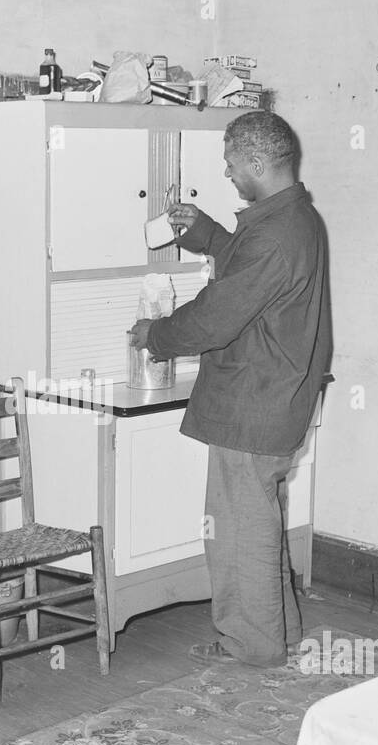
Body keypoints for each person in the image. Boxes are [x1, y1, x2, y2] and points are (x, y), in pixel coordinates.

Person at [130, 111, 331, 667]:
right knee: (259, 521)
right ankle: (279, 635)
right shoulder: (293, 219)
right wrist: (207, 235)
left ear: (259, 162)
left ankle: (250, 647)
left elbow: (219, 316)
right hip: (275, 396)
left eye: (232, 163)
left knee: (240, 531)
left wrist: (157, 335)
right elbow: (252, 274)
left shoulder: (274, 234)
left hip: (255, 400)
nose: (227, 173)